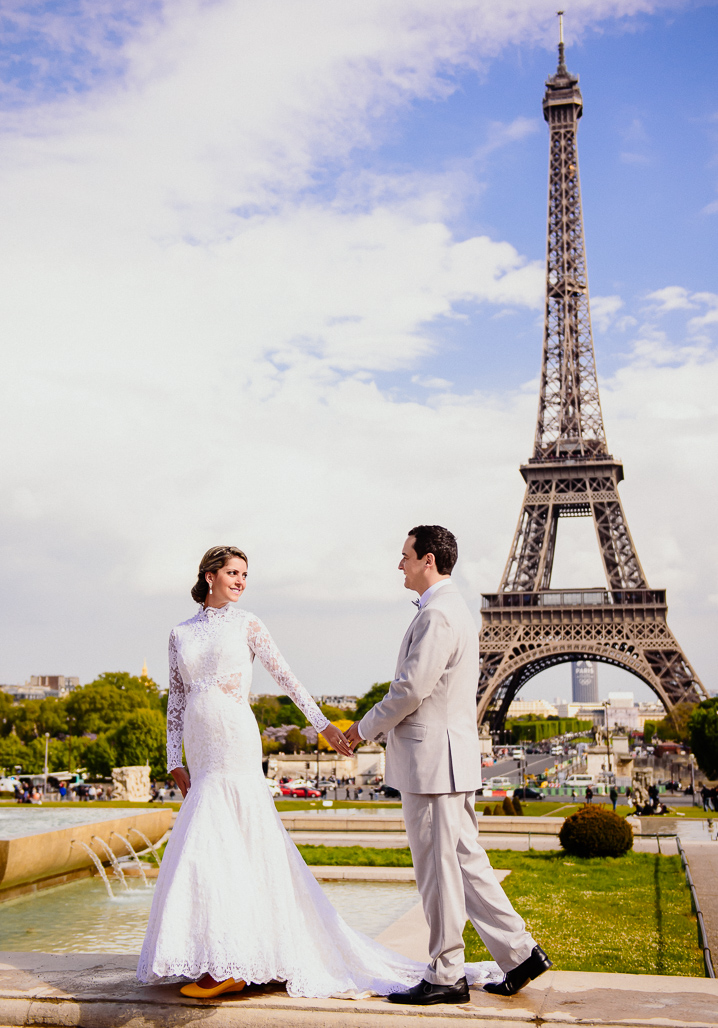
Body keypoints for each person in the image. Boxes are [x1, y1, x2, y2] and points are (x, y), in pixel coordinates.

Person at [137, 545, 500, 1000]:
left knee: (235, 840)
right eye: (233, 572)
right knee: (208, 843)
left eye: (245, 574)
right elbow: (176, 700)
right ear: (208, 576)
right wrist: (173, 758)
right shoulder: (179, 634)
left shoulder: (249, 623)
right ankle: (218, 951)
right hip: (202, 749)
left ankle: (234, 959)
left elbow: (287, 678)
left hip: (234, 742)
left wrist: (324, 725)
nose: (241, 581)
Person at [346, 526, 551, 1004]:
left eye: (405, 556)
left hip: (432, 763)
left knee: (438, 872)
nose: (399, 564)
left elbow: (411, 691)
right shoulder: (453, 608)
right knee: (466, 864)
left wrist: (362, 729)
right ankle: (520, 955)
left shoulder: (437, 615)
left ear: (429, 561)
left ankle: (445, 975)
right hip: (450, 758)